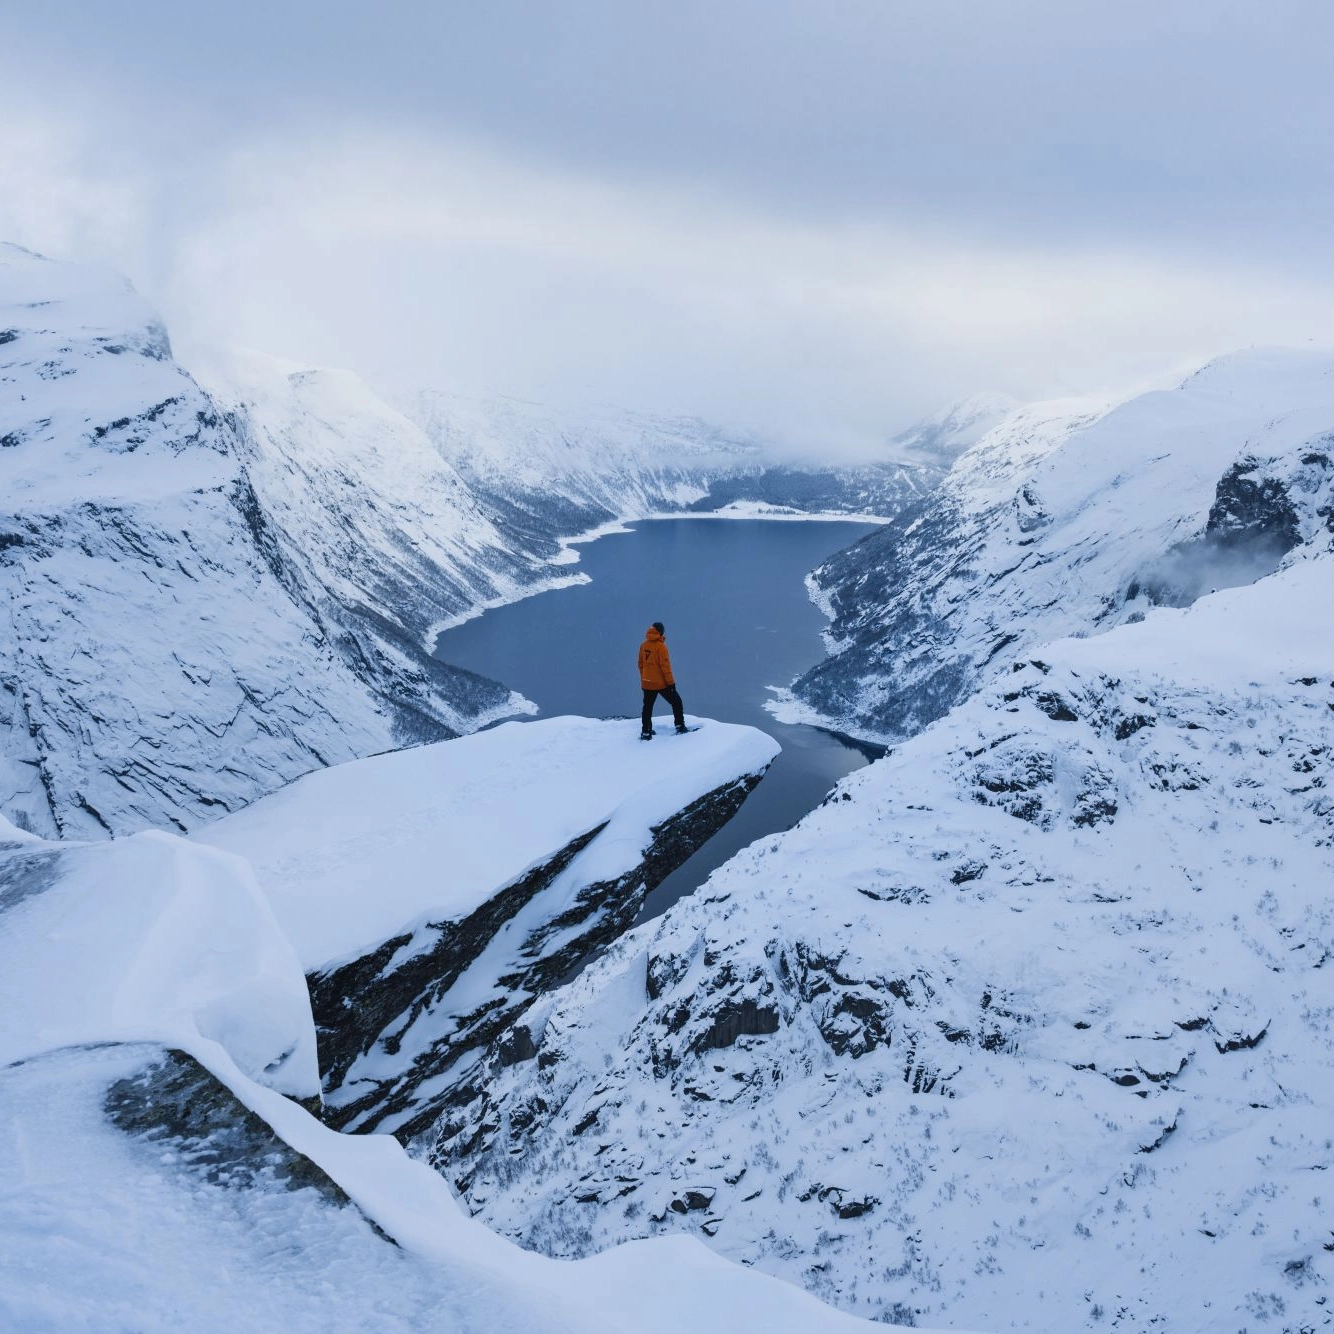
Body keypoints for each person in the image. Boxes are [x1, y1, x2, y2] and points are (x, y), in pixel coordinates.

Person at [638, 621, 687, 739]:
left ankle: (646, 732)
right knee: (677, 702)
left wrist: (645, 678)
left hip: (647, 683)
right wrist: (671, 683)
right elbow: (665, 667)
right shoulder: (661, 647)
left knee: (647, 707)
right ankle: (680, 726)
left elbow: (640, 664)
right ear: (661, 632)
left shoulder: (643, 645)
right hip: (661, 683)